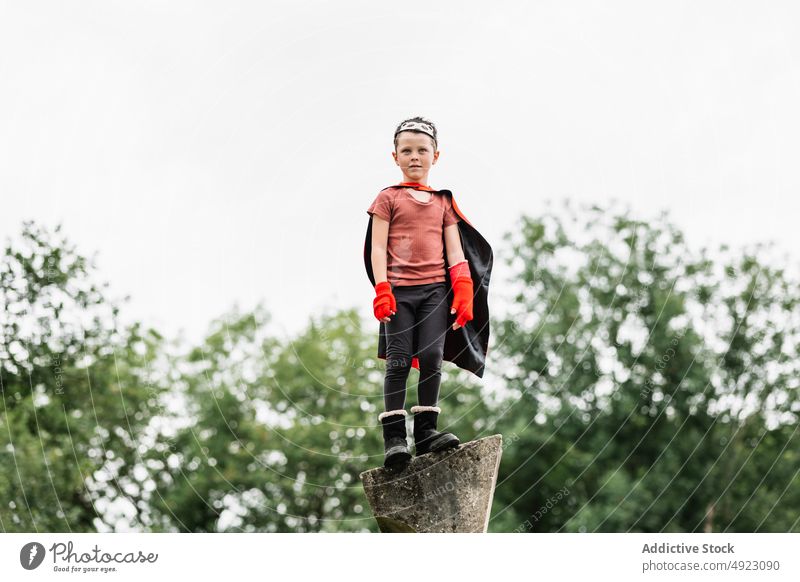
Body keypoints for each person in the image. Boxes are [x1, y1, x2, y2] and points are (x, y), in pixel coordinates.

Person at [363, 117, 493, 469]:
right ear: (395, 156)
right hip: (399, 293)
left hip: (435, 293)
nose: (415, 157)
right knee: (399, 360)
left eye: (423, 150)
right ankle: (394, 440)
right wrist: (382, 289)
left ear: (436, 155)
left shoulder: (442, 202)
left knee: (433, 358)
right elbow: (377, 249)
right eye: (407, 150)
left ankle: (426, 433)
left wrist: (464, 289)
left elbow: (455, 251)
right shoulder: (387, 198)